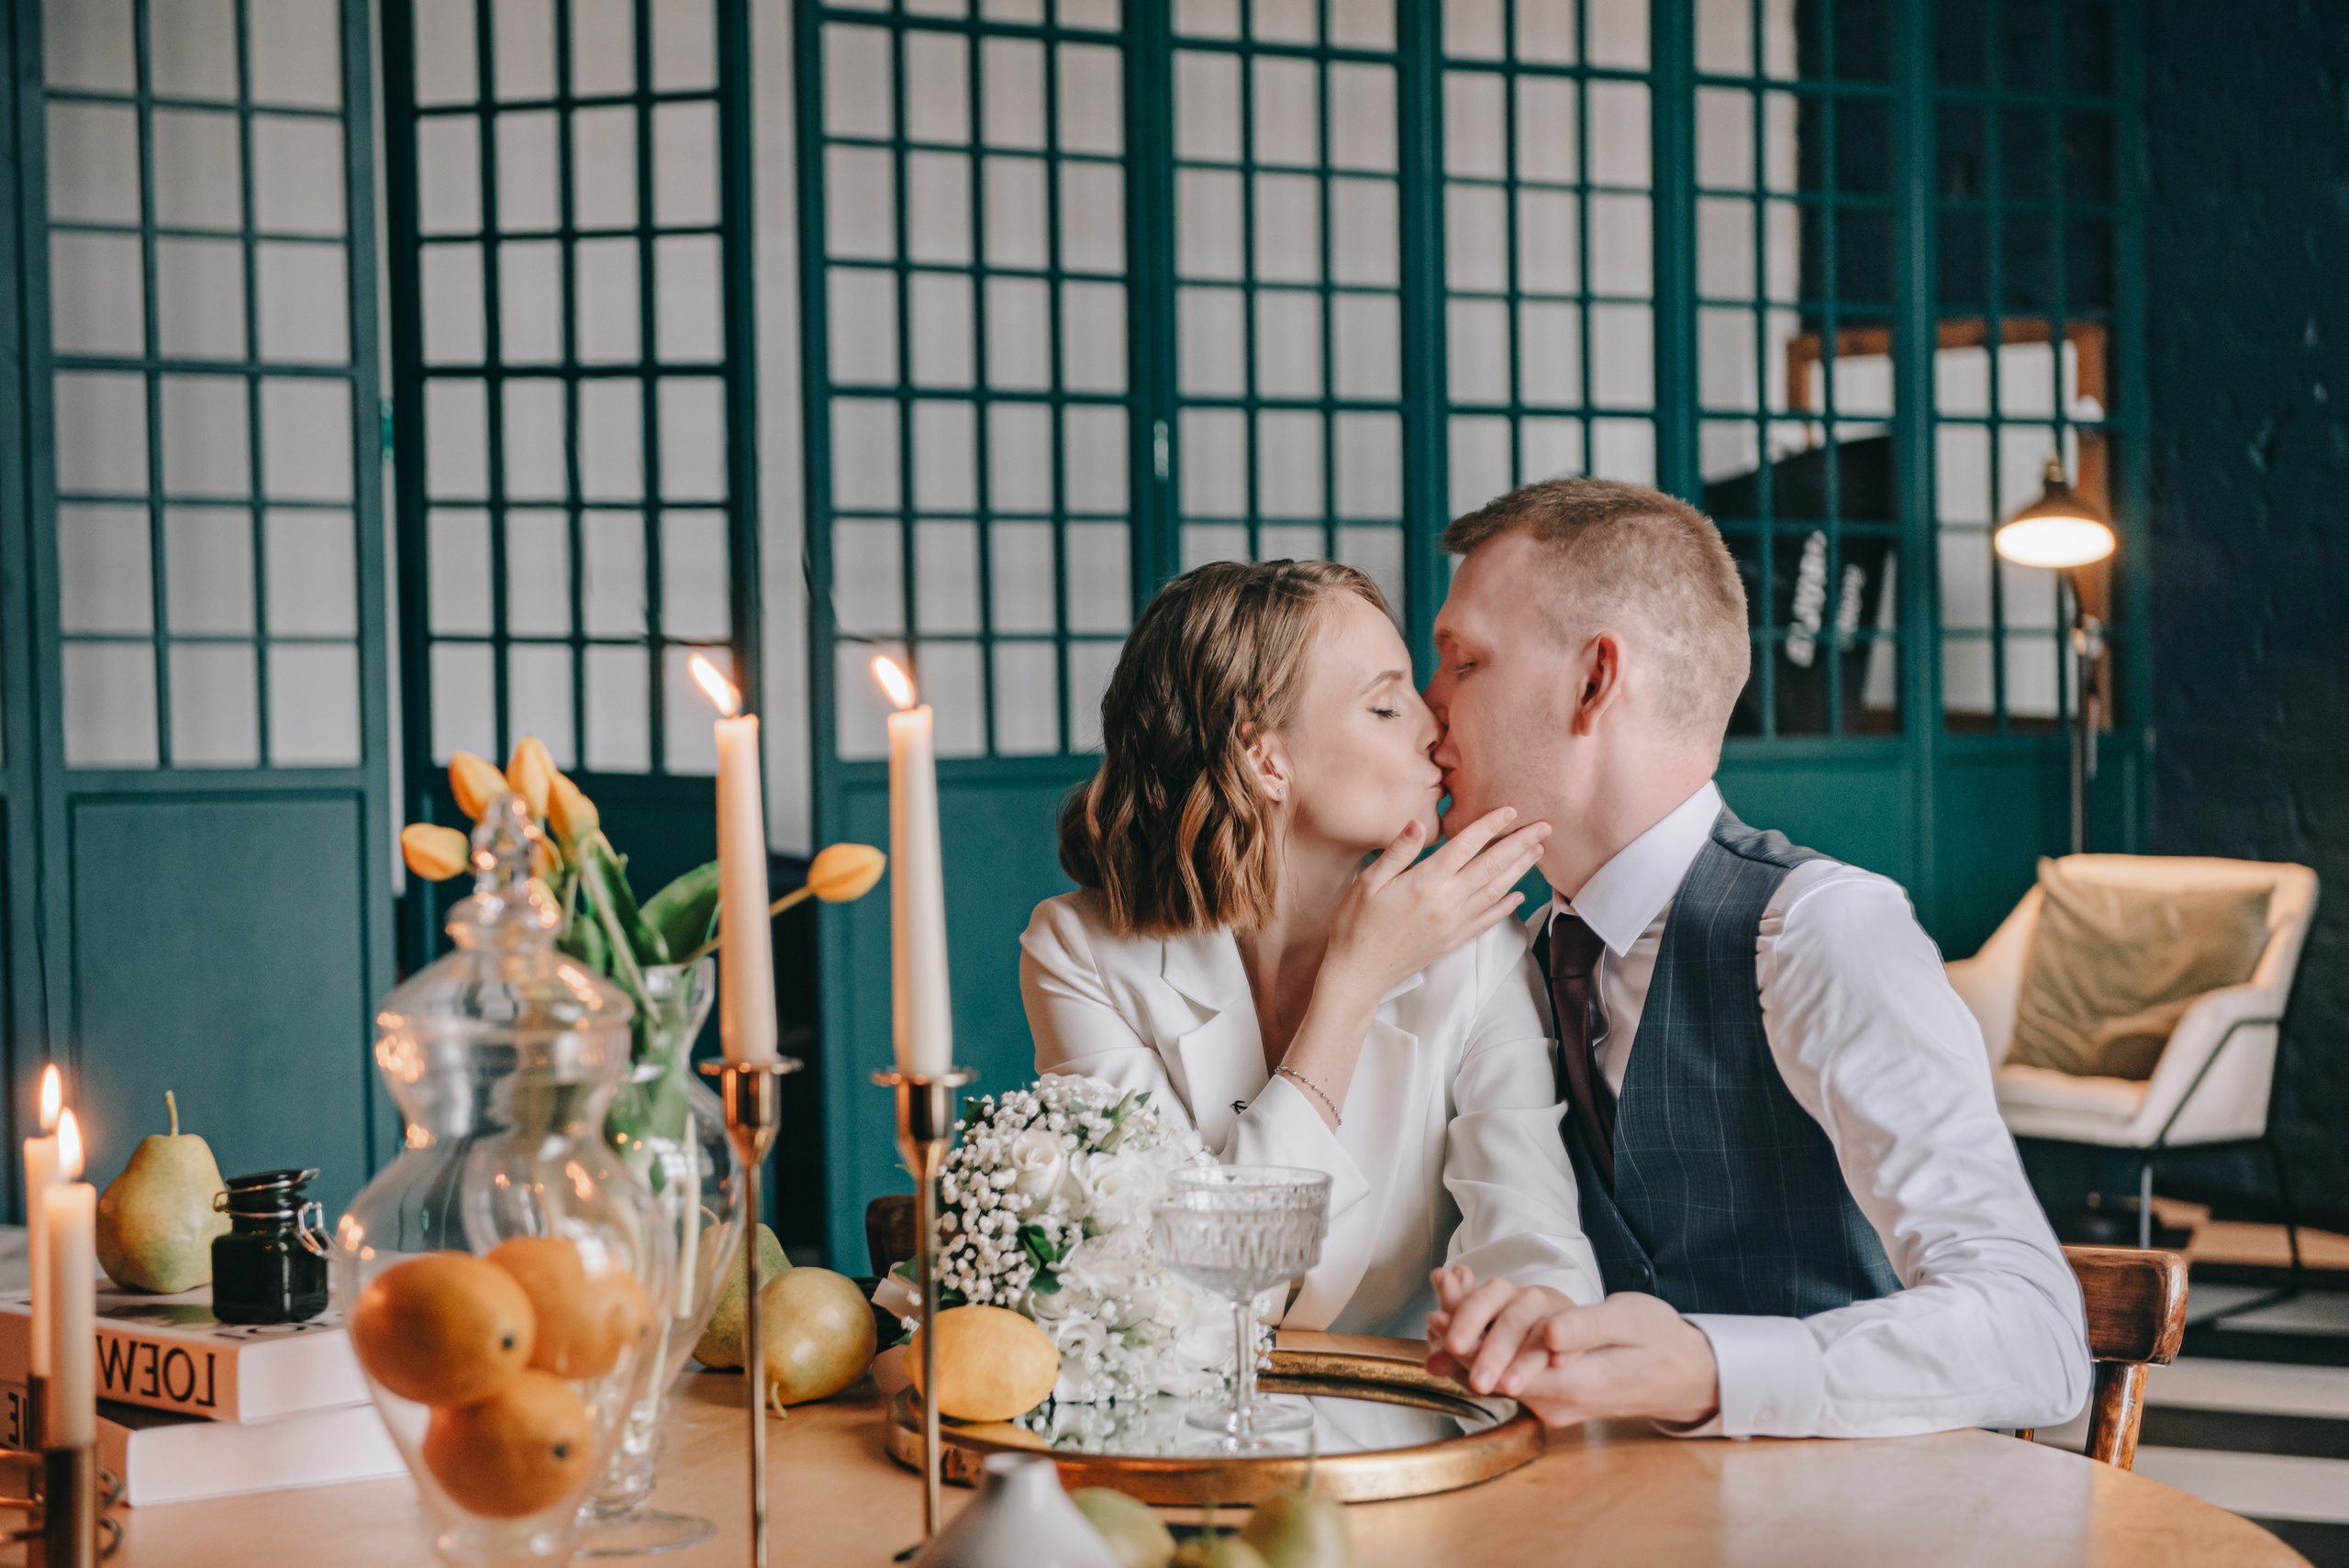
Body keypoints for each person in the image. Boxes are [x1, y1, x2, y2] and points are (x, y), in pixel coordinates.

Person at [1419, 478, 2091, 1439]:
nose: (1427, 700)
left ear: (1593, 680)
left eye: (1462, 659)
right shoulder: (1523, 959)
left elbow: (2039, 1338)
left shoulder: (1817, 929)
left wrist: (1708, 1368)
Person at [1021, 559, 1602, 1335]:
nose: (1438, 727)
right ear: (1264, 758)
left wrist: (1532, 1318)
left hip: (1404, 1431)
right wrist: (1353, 987)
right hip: (1178, 1432)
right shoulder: (1081, 953)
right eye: (1387, 707)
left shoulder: (1474, 952)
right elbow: (1191, 1289)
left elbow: (1534, 1240)